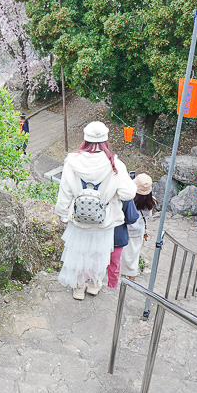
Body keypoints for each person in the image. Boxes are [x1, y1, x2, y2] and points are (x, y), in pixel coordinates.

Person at [55, 121, 137, 300]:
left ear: (85, 139)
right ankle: (93, 284)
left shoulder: (72, 160)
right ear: (106, 140)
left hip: (79, 219)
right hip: (104, 221)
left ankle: (78, 288)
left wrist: (62, 212)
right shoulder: (114, 162)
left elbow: (65, 191)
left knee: (79, 253)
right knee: (99, 253)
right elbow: (128, 193)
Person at [112, 173, 156, 286]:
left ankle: (115, 278)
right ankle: (132, 281)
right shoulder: (151, 202)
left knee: (118, 255)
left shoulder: (129, 198)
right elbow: (149, 216)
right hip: (138, 233)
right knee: (134, 256)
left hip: (124, 230)